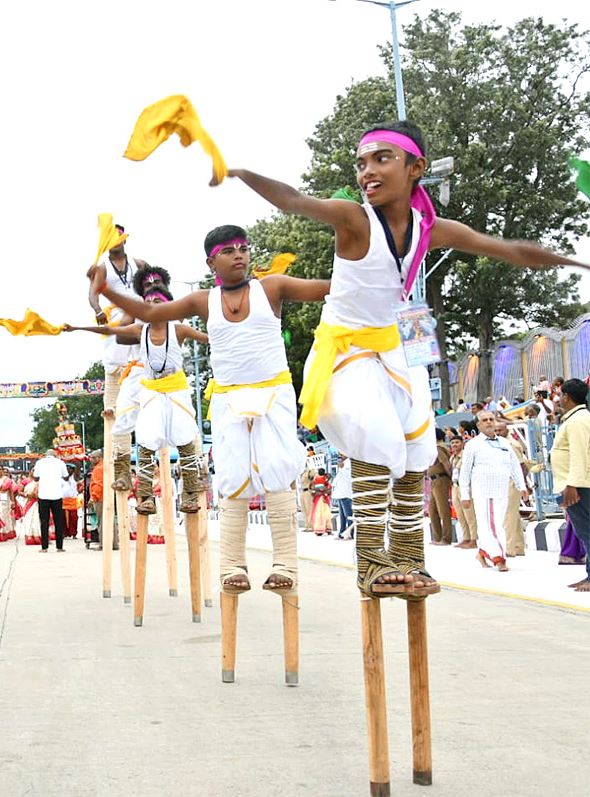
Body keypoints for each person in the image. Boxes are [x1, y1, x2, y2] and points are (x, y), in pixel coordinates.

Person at [225, 120, 587, 595]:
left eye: (381, 159)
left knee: (416, 448)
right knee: (374, 436)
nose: (367, 172)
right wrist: (238, 172)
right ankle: (373, 566)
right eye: (361, 163)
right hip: (344, 352)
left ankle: (411, 561)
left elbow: (507, 249)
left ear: (416, 168)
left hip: (393, 351)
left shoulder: (429, 230)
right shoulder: (354, 219)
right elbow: (295, 200)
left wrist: (573, 261)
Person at [100, 236, 329, 595]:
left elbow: (326, 288)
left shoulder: (272, 287)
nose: (239, 256)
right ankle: (232, 565)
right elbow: (148, 316)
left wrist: (376, 268)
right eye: (228, 252)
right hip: (227, 398)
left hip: (274, 394)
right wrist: (105, 292)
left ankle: (284, 563)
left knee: (278, 468)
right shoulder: (202, 300)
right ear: (211, 263)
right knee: (232, 474)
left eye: (243, 249)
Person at [68, 272, 207, 517]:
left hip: (176, 390)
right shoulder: (138, 328)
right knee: (144, 440)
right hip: (150, 390)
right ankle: (145, 497)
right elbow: (110, 330)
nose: (154, 306)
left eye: (160, 302)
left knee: (186, 437)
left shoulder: (179, 329)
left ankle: (190, 494)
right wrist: (76, 328)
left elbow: (211, 339)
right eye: (149, 302)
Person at [88, 225, 147, 492]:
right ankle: (111, 404)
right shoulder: (103, 268)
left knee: (141, 357)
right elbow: (93, 292)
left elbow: (155, 282)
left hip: (138, 315)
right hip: (114, 317)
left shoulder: (138, 264)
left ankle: (143, 396)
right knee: (113, 363)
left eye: (119, 238)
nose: (116, 243)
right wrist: (98, 309)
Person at [459, 409, 528, 571]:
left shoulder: (504, 443)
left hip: (502, 491)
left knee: (493, 524)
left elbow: (514, 467)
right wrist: (465, 495)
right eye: (485, 420)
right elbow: (465, 472)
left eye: (491, 419)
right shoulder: (472, 445)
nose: (489, 422)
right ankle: (499, 558)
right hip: (484, 492)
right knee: (492, 526)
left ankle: (483, 552)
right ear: (478, 425)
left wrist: (522, 486)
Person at [550, 378, 590, 591]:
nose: (557, 399)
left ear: (567, 396)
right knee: (585, 532)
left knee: (587, 532)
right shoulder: (575, 418)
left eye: (559, 395)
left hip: (579, 486)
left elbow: (579, 454)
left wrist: (572, 484)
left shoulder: (578, 420)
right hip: (576, 484)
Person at [496, 417, 529, 557]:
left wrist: (522, 485)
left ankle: (509, 548)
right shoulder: (499, 444)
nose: (497, 432)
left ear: (507, 430)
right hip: (503, 482)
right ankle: (518, 547)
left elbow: (522, 466)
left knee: (508, 516)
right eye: (495, 430)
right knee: (513, 516)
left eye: (500, 430)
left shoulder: (511, 444)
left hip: (511, 482)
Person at [32, 449, 70, 552]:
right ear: (55, 455)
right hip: (57, 495)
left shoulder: (39, 463)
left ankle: (44, 547)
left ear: (45, 455)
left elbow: (35, 478)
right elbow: (66, 477)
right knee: (58, 521)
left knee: (44, 522)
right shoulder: (60, 463)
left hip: (43, 495)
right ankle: (59, 547)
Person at [426, 429, 454, 545]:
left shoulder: (439, 448)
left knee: (443, 509)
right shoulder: (437, 447)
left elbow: (446, 463)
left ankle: (446, 538)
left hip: (440, 479)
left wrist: (450, 477)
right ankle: (437, 537)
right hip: (434, 480)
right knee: (432, 510)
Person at [450, 435, 478, 549]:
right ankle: (466, 538)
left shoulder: (466, 456)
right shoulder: (453, 457)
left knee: (469, 514)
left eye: (457, 442)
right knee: (460, 514)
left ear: (462, 443)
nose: (454, 445)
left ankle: (474, 539)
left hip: (465, 487)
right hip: (455, 486)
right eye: (452, 443)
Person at [0, 465, 18, 540]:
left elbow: (11, 491)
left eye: (0, 469)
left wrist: (12, 502)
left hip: (4, 500)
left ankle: (4, 533)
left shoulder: (7, 480)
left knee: (3, 516)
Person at [333, 455, 354, 539]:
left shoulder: (349, 464)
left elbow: (347, 478)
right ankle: (341, 533)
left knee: (348, 515)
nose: (340, 455)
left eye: (342, 453)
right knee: (342, 516)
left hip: (346, 493)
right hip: (340, 492)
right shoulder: (342, 464)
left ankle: (350, 533)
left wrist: (342, 468)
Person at [88, 449, 105, 549]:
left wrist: (93, 498)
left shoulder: (98, 469)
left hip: (100, 498)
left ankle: (103, 544)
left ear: (99, 458)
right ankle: (113, 543)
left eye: (93, 458)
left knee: (101, 522)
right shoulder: (104, 466)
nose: (91, 460)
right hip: (104, 496)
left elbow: (98, 485)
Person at [309, 468, 332, 535]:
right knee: (326, 514)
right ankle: (327, 529)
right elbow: (328, 490)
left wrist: (319, 491)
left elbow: (312, 488)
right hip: (323, 498)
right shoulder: (325, 481)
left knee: (319, 514)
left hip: (319, 498)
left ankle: (321, 529)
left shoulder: (316, 480)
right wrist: (323, 491)